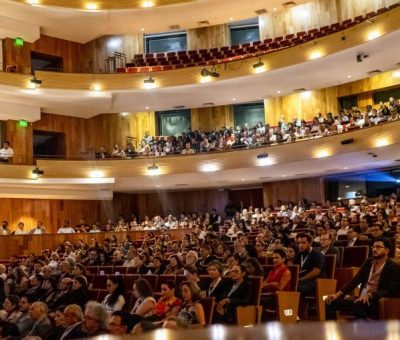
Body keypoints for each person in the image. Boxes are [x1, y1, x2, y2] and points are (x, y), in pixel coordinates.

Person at [326, 237, 400, 320]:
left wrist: (370, 295)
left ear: (387, 250)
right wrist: (337, 294)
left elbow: (391, 290)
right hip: (361, 299)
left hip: (377, 301)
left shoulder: (393, 266)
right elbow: (355, 280)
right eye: (373, 247)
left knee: (360, 305)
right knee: (329, 301)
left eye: (378, 247)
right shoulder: (369, 262)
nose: (374, 249)